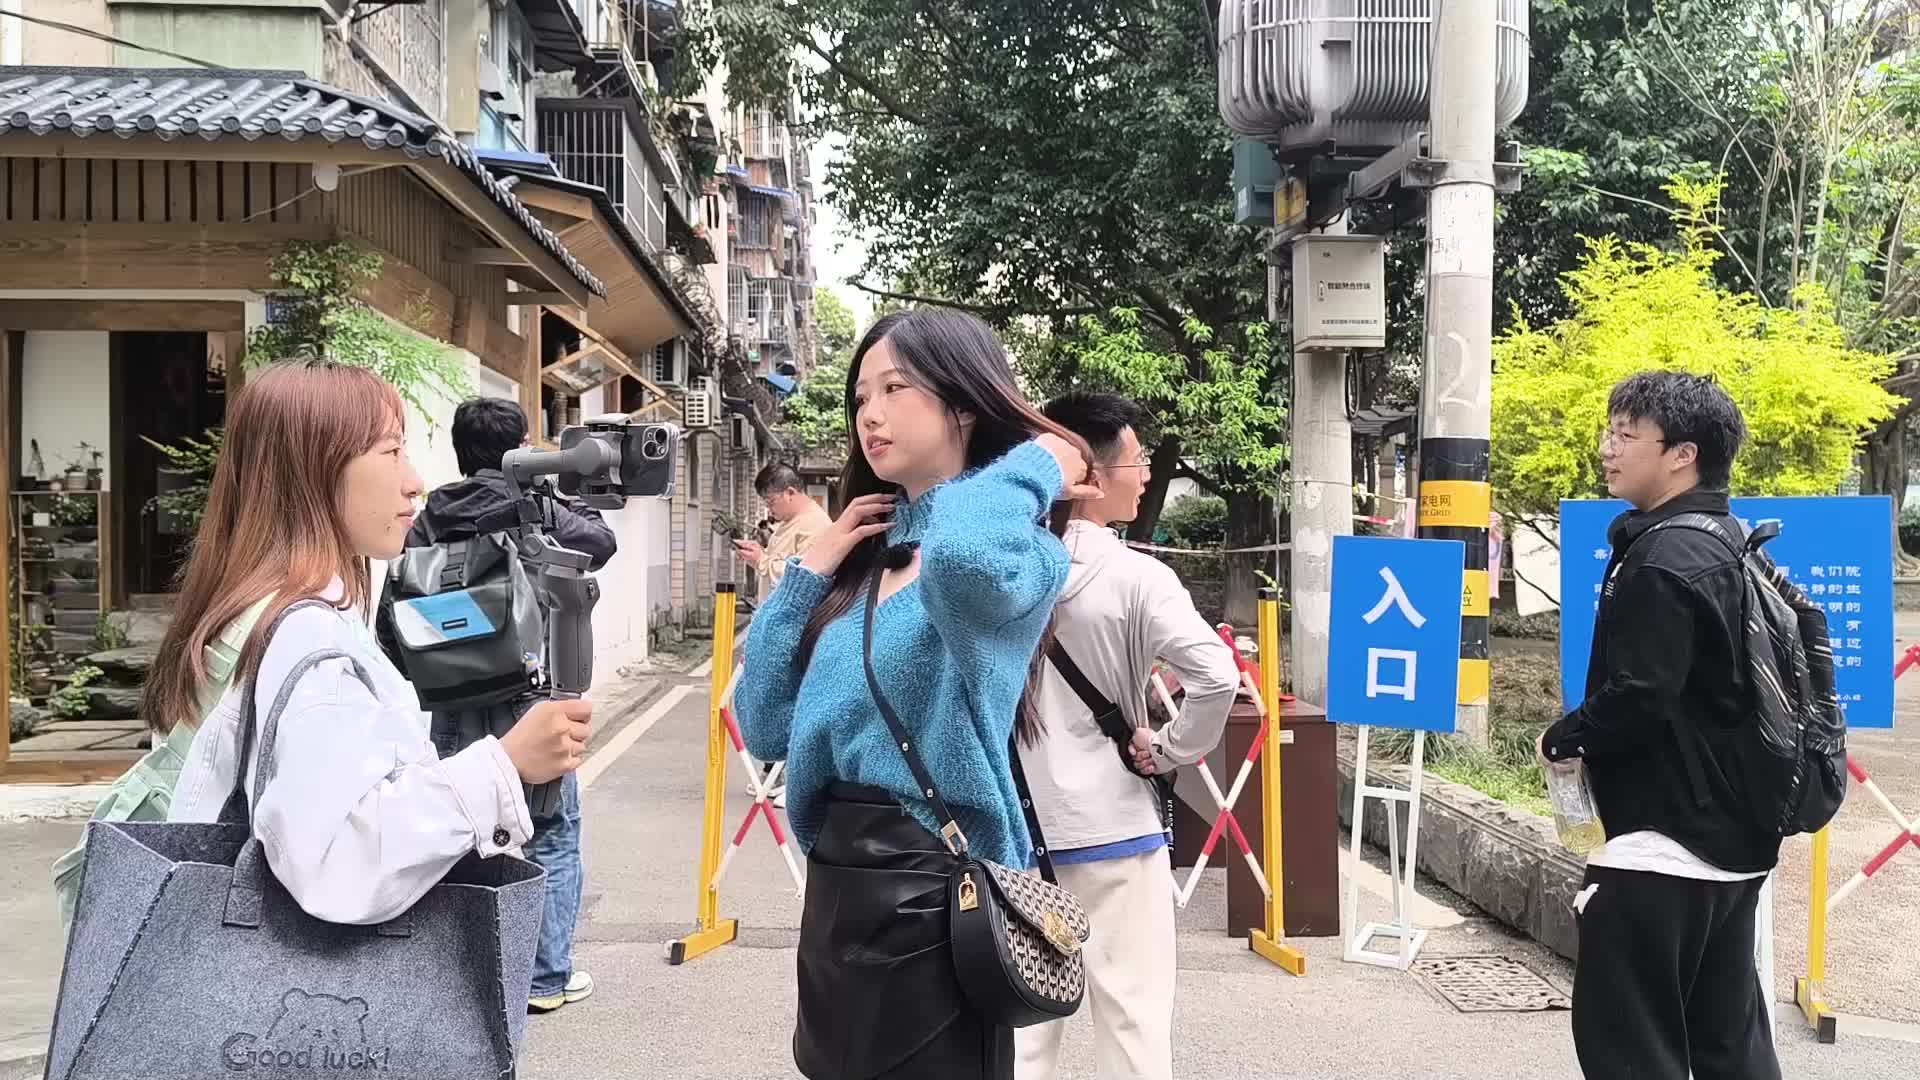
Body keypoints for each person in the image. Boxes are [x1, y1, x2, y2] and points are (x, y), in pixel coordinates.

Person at [734, 309, 1100, 1080]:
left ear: (963, 403)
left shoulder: (1020, 556)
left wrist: (1037, 462)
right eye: (860, 396)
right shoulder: (862, 565)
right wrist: (811, 569)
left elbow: (961, 552)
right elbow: (762, 723)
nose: (869, 414)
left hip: (937, 896)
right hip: (838, 895)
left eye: (895, 388)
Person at [159, 360, 591, 931]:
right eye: (391, 452)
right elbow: (340, 860)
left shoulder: (250, 609)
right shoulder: (307, 637)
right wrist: (505, 764)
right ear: (315, 470)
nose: (414, 481)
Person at [1536, 370, 1779, 1080]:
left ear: (1682, 455)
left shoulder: (1664, 557)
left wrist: (1564, 737)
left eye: (1626, 434)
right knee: (1729, 1047)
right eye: (1609, 431)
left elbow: (1643, 693)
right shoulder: (1727, 539)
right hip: (1733, 844)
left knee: (1632, 1049)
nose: (1607, 448)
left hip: (1659, 846)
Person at [1015, 392, 1238, 1080]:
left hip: (1016, 830)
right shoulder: (1139, 576)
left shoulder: (1002, 569)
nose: (1144, 476)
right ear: (1091, 472)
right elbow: (1217, 676)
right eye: (1136, 461)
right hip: (1114, 828)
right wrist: (1168, 749)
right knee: (1132, 1024)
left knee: (1021, 1033)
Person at [387, 396, 613, 1014]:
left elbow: (393, 618)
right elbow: (601, 542)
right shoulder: (532, 505)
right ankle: (544, 979)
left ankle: (459, 979)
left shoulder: (429, 516)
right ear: (521, 447)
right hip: (529, 700)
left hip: (452, 700)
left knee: (458, 827)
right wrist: (556, 487)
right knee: (551, 833)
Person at [735, 461, 831, 593]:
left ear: (790, 493)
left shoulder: (815, 524)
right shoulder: (789, 519)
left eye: (771, 502)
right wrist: (756, 554)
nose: (768, 509)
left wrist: (761, 561)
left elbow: (804, 578)